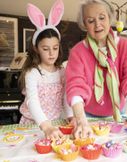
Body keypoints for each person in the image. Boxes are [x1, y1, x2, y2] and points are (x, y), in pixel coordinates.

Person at [65, 0, 127, 139]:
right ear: (84, 24)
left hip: (119, 115)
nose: (97, 25)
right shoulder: (78, 52)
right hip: (87, 117)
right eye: (91, 21)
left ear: (109, 18)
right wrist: (81, 120)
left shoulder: (125, 46)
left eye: (102, 18)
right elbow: (75, 86)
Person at [19, 0, 74, 139]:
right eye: (45, 49)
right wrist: (46, 126)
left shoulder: (62, 71)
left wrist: (70, 116)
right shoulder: (33, 73)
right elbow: (32, 101)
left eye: (55, 48)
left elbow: (66, 97)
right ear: (36, 49)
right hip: (33, 125)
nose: (51, 53)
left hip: (53, 125)